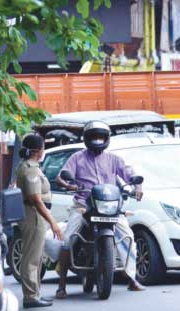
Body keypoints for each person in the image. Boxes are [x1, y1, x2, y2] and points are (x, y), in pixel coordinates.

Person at [54, 121, 145, 298]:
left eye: (101, 137)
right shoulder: (76, 158)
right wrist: (68, 184)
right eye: (94, 137)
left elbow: (130, 174)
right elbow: (60, 177)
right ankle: (62, 283)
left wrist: (138, 188)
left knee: (128, 237)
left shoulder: (114, 159)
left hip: (110, 207)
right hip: (83, 205)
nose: (97, 140)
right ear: (87, 139)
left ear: (106, 139)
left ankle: (132, 279)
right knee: (68, 240)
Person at [15, 134, 64, 308]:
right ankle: (30, 297)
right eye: (43, 147)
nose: (44, 150)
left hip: (34, 216)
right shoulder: (30, 169)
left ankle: (34, 294)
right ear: (38, 151)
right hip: (34, 217)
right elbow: (36, 199)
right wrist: (53, 223)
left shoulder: (30, 166)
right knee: (31, 259)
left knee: (35, 257)